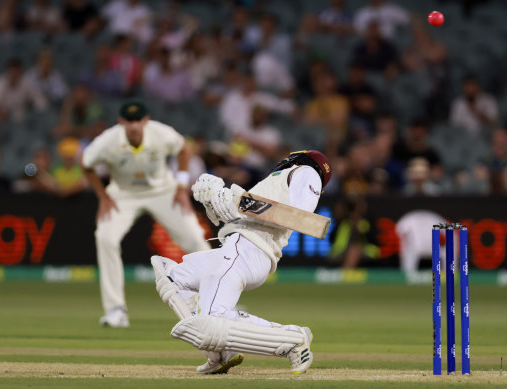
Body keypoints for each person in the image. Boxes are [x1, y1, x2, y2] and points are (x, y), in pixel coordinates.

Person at [150, 150, 332, 375]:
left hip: (249, 248)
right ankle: (219, 354)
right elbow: (241, 215)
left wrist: (234, 198)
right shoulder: (277, 182)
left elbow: (301, 218)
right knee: (172, 276)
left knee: (209, 322)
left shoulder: (306, 171)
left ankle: (293, 338)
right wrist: (214, 200)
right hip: (236, 245)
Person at [81, 100, 210, 328]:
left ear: (145, 120)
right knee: (105, 238)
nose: (133, 126)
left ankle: (217, 302)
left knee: (195, 239)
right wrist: (102, 197)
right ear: (121, 122)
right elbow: (86, 163)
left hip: (163, 191)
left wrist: (180, 187)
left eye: (138, 120)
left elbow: (184, 149)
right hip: (123, 194)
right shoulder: (108, 140)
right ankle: (115, 310)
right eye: (129, 121)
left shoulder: (160, 133)